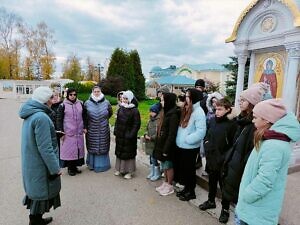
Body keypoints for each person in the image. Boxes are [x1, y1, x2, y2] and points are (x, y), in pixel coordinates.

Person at [236, 99, 300, 225]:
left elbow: (265, 179)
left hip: (256, 212)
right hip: (254, 209)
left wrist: (247, 195)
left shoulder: (274, 145)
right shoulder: (271, 139)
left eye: (255, 117)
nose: (252, 120)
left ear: (266, 120)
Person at [220, 84, 271, 223]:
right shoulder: (240, 120)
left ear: (252, 103)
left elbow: (249, 154)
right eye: (240, 99)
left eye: (243, 100)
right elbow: (233, 143)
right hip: (232, 162)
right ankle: (225, 210)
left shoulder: (254, 127)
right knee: (228, 189)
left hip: (240, 168)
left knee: (238, 199)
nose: (239, 102)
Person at [19, 86, 61, 225]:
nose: (53, 100)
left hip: (33, 163)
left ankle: (36, 220)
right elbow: (45, 148)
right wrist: (55, 168)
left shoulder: (33, 114)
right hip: (40, 165)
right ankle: (35, 222)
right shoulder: (41, 117)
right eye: (51, 97)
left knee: (36, 194)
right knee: (41, 194)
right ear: (44, 100)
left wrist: (53, 134)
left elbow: (37, 139)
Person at [199, 98, 237, 210]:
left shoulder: (232, 124)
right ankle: (211, 201)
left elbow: (233, 145)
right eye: (216, 109)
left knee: (224, 186)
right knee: (212, 182)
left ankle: (225, 209)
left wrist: (224, 158)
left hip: (223, 162)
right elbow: (208, 135)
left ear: (228, 109)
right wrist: (206, 144)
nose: (217, 112)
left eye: (220, 109)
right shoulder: (212, 120)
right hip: (211, 158)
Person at [175, 88, 207, 201]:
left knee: (189, 170)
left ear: (194, 97)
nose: (186, 98)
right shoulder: (190, 109)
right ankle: (186, 189)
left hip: (190, 147)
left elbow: (201, 131)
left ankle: (191, 192)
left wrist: (188, 140)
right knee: (184, 169)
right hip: (183, 146)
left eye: (188, 96)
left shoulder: (199, 112)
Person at [154, 92, 180, 196]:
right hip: (162, 143)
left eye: (163, 100)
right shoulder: (166, 112)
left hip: (168, 146)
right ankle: (165, 182)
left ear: (169, 101)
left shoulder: (173, 115)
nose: (161, 102)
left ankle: (169, 185)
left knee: (168, 165)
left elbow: (172, 134)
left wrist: (166, 149)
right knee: (164, 165)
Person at [56, 88, 86, 176]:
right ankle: (70, 168)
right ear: (68, 95)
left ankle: (75, 167)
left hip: (78, 132)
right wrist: (60, 132)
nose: (73, 96)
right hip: (68, 132)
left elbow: (84, 116)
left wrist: (85, 126)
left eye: (74, 95)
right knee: (69, 151)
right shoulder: (63, 105)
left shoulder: (80, 103)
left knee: (77, 150)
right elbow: (59, 119)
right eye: (71, 95)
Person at [84, 86, 113, 172]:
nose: (97, 93)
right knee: (92, 146)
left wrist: (103, 121)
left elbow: (110, 113)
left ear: (101, 92)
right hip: (92, 128)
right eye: (95, 91)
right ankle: (91, 164)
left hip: (103, 128)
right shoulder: (87, 103)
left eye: (98, 91)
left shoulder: (106, 102)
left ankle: (103, 165)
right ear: (92, 92)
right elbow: (85, 116)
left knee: (103, 146)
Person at [114, 90, 141, 179]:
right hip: (120, 135)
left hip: (129, 136)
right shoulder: (121, 108)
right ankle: (119, 169)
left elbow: (136, 124)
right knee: (120, 152)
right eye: (123, 98)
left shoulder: (134, 110)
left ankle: (129, 172)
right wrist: (116, 131)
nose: (124, 100)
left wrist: (131, 134)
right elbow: (117, 121)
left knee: (128, 153)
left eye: (126, 98)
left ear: (130, 99)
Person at [144, 103, 161, 181]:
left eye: (153, 111)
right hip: (149, 143)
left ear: (156, 112)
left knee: (154, 158)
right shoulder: (150, 120)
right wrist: (145, 135)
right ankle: (152, 171)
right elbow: (146, 129)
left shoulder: (158, 121)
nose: (151, 113)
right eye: (150, 111)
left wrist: (151, 138)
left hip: (154, 143)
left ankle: (157, 173)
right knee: (151, 158)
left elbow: (158, 133)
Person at [194, 79, 207, 169]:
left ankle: (199, 161)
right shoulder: (193, 97)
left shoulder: (206, 98)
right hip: (194, 122)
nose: (198, 89)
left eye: (200, 87)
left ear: (203, 88)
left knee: (200, 143)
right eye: (197, 87)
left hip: (202, 122)